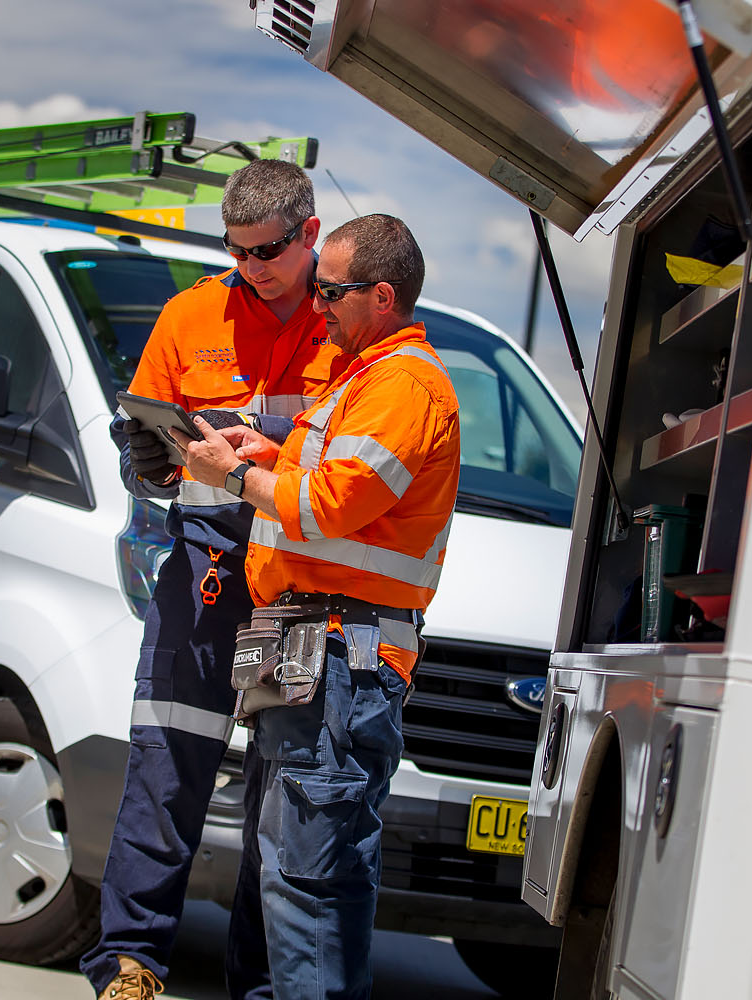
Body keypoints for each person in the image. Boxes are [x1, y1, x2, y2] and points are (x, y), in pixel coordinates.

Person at [178, 214, 460, 999]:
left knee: (309, 880)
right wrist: (271, 453)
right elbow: (327, 482)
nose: (318, 304)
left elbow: (330, 505)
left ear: (381, 295)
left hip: (337, 649)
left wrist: (229, 475)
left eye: (331, 291)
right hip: (310, 640)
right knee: (286, 871)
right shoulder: (364, 374)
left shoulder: (404, 383)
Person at [81, 159, 343, 1000]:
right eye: (235, 250)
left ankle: (259, 988)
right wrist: (151, 465)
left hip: (296, 592)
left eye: (266, 250)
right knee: (166, 761)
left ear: (309, 235)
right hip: (205, 572)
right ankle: (130, 965)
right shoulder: (190, 313)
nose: (250, 267)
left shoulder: (349, 336)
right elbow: (139, 445)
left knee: (280, 795)